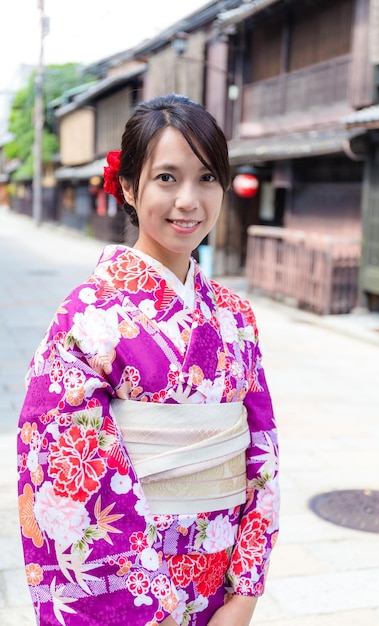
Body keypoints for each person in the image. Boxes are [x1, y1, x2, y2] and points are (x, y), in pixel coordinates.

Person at [17, 93, 280, 626]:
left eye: (208, 178)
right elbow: (64, 473)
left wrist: (245, 593)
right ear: (130, 188)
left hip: (222, 584)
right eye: (167, 178)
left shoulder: (235, 315)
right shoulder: (87, 316)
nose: (189, 200)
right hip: (133, 589)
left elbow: (262, 451)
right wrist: (149, 610)